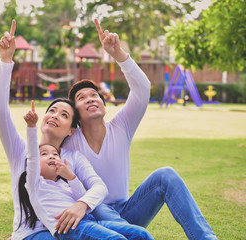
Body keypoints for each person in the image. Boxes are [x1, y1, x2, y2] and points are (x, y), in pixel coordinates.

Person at [63, 19, 218, 239]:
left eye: (94, 95)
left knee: (166, 175)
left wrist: (118, 54)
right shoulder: (70, 142)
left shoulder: (121, 126)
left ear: (104, 104)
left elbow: (142, 89)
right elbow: (38, 173)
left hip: (126, 213)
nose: (90, 98)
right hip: (92, 216)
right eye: (81, 98)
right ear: (75, 113)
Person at [0, 19, 148, 239]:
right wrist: (6, 61)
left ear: (70, 131)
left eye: (64, 115)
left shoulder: (72, 157)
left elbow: (98, 188)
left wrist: (82, 204)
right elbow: (0, 110)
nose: (55, 115)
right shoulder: (21, 152)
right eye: (52, 111)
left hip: (74, 229)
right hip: (36, 233)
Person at [21, 104, 154, 239]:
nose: (51, 156)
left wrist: (71, 177)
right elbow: (32, 155)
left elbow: (81, 195)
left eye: (55, 155)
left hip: (90, 221)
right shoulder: (34, 184)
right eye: (44, 154)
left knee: (140, 233)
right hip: (71, 228)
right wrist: (31, 127)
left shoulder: (63, 184)